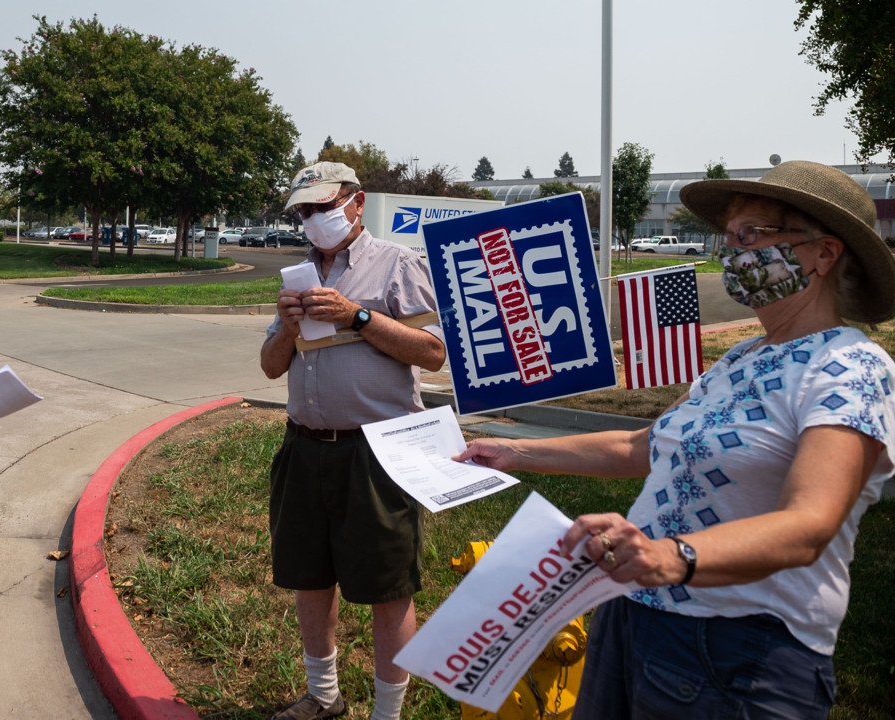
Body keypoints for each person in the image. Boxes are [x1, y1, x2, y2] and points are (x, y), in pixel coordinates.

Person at [456, 160, 895, 718]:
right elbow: (643, 446)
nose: (732, 252)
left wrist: (669, 557)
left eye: (751, 235)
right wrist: (514, 452)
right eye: (729, 237)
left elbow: (809, 523)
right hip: (632, 613)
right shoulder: (741, 357)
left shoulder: (851, 368)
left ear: (824, 254)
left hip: (739, 651)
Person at [260, 161, 446, 720]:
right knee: (310, 578)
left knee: (388, 588)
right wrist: (289, 330)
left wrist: (358, 315)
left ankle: (387, 714)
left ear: (356, 203)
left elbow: (434, 352)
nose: (314, 218)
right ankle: (323, 697)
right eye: (304, 211)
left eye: (323, 205)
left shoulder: (397, 264)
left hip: (380, 451)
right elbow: (270, 368)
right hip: (305, 446)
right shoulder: (298, 277)